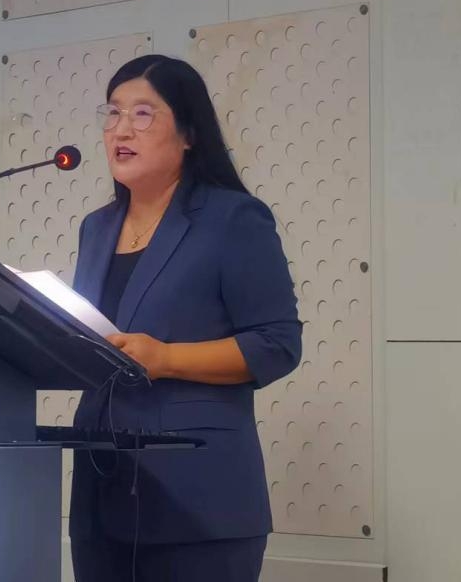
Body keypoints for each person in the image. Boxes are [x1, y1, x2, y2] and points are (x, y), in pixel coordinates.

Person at [69, 54, 302, 582]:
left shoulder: (232, 219)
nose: (120, 130)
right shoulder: (96, 229)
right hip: (101, 492)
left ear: (190, 133)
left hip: (199, 498)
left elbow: (277, 344)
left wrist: (167, 358)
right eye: (112, 113)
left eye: (142, 114)